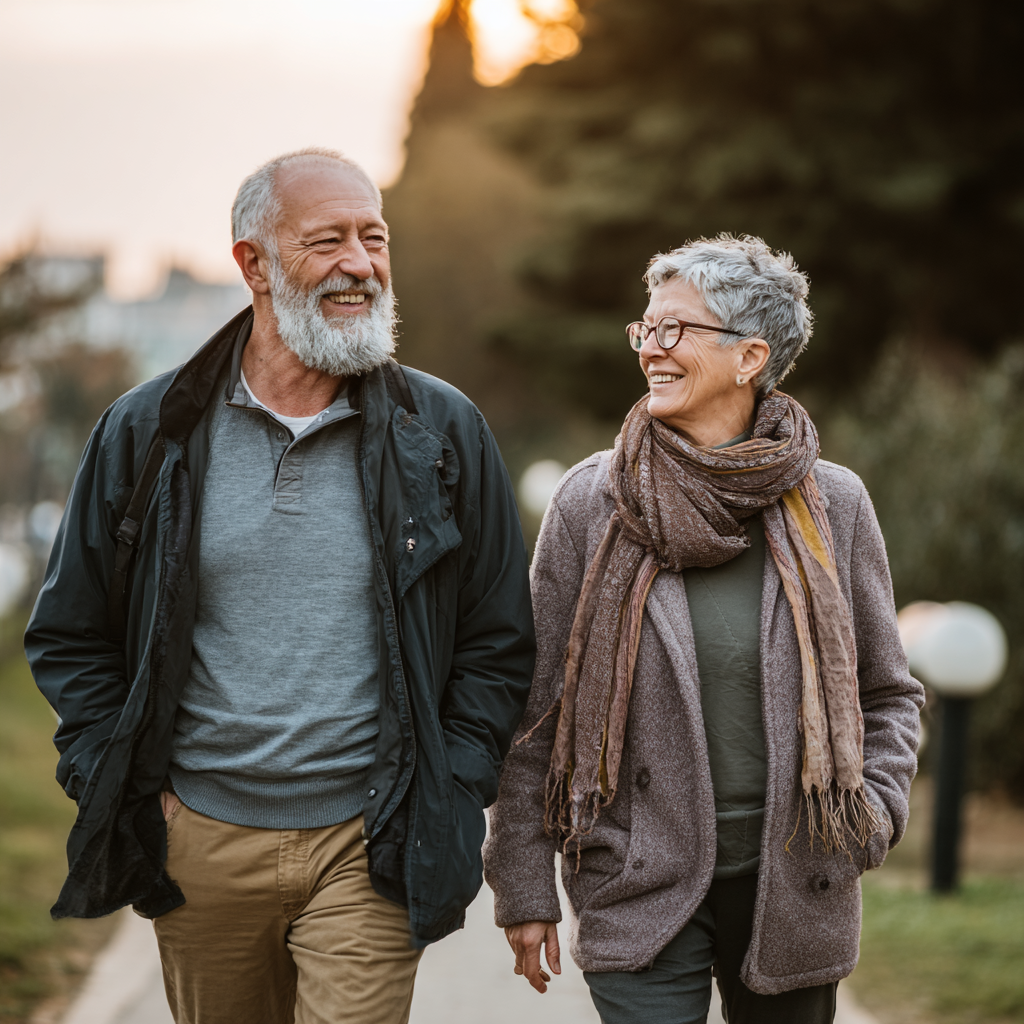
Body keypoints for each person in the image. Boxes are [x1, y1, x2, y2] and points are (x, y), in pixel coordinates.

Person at [26, 148, 535, 1024]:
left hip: (370, 844)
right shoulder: (148, 431)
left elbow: (497, 638)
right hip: (200, 845)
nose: (360, 264)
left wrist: (450, 787)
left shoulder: (443, 432)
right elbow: (71, 633)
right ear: (252, 264)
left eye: (374, 238)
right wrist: (124, 782)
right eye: (326, 240)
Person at [484, 234, 923, 1024]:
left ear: (749, 358)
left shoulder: (836, 505)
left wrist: (875, 815)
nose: (651, 348)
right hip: (635, 877)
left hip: (796, 882)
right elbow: (536, 712)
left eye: (675, 330)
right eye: (645, 329)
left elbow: (887, 690)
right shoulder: (592, 503)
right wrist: (521, 881)